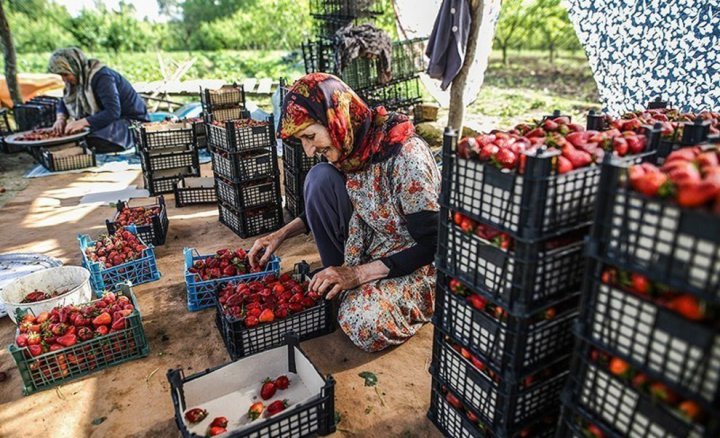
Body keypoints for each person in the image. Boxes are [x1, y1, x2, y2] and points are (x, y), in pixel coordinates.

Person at [249, 73, 440, 352]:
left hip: (415, 258)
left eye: (311, 136)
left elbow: (433, 245)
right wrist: (280, 235)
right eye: (303, 140)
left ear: (335, 117)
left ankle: (380, 293)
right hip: (373, 240)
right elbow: (329, 201)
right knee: (319, 178)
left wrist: (358, 275)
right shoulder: (352, 145)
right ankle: (340, 278)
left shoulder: (404, 156)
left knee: (362, 321)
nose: (310, 149)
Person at [48, 47, 148, 153]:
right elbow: (64, 101)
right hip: (109, 121)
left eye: (66, 74)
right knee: (72, 135)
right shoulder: (76, 81)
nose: (64, 79)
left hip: (130, 123)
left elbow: (113, 112)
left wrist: (83, 122)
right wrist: (60, 119)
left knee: (89, 138)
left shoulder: (102, 77)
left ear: (75, 68)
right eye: (61, 75)